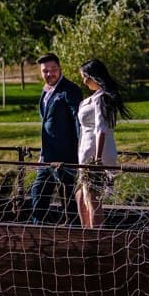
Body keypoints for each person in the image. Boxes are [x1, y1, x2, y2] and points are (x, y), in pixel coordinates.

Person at [28, 53, 83, 224]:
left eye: (53, 70)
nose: (49, 74)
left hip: (66, 156)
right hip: (47, 157)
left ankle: (73, 236)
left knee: (68, 199)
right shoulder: (45, 92)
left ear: (60, 69)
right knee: (38, 193)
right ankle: (39, 232)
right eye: (45, 71)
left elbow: (78, 123)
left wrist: (80, 153)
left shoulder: (70, 90)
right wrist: (42, 154)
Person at [75, 58, 130, 228]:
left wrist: (97, 160)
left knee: (91, 197)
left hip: (94, 155)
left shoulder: (100, 99)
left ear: (94, 77)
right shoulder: (93, 98)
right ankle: (87, 232)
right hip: (85, 153)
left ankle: (97, 239)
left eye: (86, 77)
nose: (84, 81)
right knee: (80, 195)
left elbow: (101, 128)